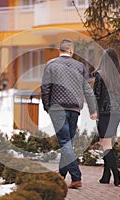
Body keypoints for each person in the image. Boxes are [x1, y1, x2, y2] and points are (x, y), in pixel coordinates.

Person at [41, 39, 97, 189]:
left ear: (60, 50)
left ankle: (76, 177)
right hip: (74, 109)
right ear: (71, 51)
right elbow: (87, 89)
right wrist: (93, 110)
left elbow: (45, 87)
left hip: (57, 109)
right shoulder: (80, 66)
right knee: (67, 143)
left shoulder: (51, 64)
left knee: (65, 143)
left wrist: (47, 106)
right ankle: (60, 177)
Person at [93, 48, 120, 186]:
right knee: (107, 143)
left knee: (105, 144)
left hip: (104, 113)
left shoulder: (100, 75)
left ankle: (115, 172)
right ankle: (105, 175)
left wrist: (93, 111)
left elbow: (96, 95)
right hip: (116, 113)